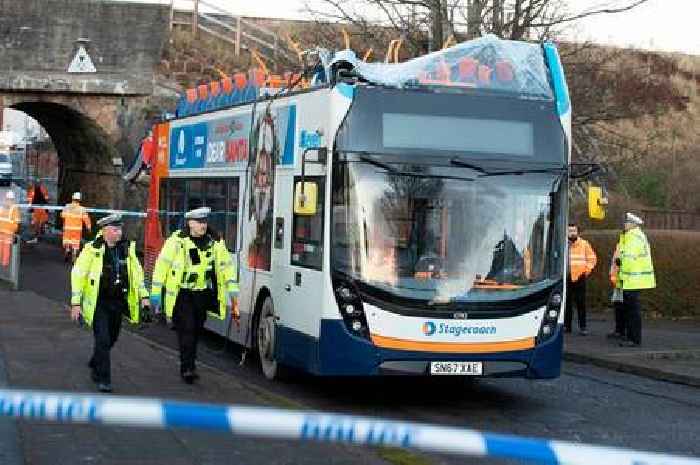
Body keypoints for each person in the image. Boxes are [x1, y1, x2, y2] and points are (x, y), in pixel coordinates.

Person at [150, 207, 238, 384]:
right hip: (183, 293)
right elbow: (162, 266)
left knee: (196, 330)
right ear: (190, 223)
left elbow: (227, 268)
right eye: (199, 222)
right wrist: (155, 293)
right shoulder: (177, 241)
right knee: (188, 329)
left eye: (205, 221)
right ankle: (187, 368)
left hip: (202, 294)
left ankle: (189, 363)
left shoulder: (215, 242)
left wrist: (234, 296)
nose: (203, 225)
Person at [70, 214, 150, 392]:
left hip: (118, 302)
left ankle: (96, 359)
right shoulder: (92, 249)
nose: (119, 233)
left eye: (120, 229)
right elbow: (78, 275)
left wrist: (144, 297)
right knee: (104, 339)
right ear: (105, 231)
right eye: (115, 229)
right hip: (99, 303)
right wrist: (76, 303)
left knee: (112, 338)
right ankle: (103, 378)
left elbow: (137, 275)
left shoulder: (126, 250)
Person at [616, 212, 655, 347]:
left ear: (632, 224)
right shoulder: (634, 236)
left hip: (632, 278)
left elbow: (629, 258)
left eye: (626, 222)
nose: (624, 224)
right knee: (631, 310)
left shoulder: (633, 237)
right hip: (632, 278)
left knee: (632, 311)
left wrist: (620, 263)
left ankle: (634, 339)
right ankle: (631, 337)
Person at [565, 223, 597, 335]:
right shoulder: (563, 244)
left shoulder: (584, 244)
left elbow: (592, 259)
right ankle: (567, 327)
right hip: (566, 277)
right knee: (567, 303)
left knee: (580, 303)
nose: (572, 233)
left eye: (574, 231)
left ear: (577, 232)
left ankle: (583, 327)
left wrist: (585, 271)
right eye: (569, 231)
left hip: (580, 277)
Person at [62, 192, 91, 263]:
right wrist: (88, 227)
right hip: (77, 229)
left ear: (72, 198)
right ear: (80, 199)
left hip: (68, 228)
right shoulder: (82, 209)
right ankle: (74, 253)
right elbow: (86, 219)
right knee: (75, 242)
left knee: (67, 241)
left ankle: (67, 250)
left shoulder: (67, 207)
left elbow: (63, 216)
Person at [607, 241, 626, 340]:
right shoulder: (620, 244)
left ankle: (623, 331)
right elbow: (614, 262)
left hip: (626, 281)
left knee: (624, 307)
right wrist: (613, 276)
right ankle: (619, 330)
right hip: (618, 281)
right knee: (618, 306)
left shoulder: (629, 244)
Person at [0, 190, 21, 267]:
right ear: (13, 198)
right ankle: (4, 263)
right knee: (6, 247)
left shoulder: (2, 205)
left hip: (0, 229)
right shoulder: (15, 207)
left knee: (0, 245)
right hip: (9, 231)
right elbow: (17, 221)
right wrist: (15, 231)